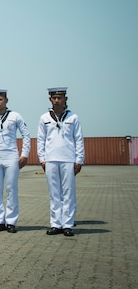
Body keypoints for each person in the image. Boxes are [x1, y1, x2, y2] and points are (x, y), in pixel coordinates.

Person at [37, 87, 85, 237]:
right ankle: (56, 224)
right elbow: (41, 140)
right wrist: (42, 159)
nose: (57, 101)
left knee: (68, 192)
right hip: (51, 159)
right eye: (54, 98)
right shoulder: (44, 118)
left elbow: (79, 139)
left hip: (68, 159)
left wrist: (79, 160)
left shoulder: (73, 118)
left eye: (60, 98)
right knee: (54, 193)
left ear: (65, 99)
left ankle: (68, 224)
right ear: (50, 100)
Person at [0, 89, 30, 234]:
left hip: (11, 157)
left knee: (11, 189)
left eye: (0, 100)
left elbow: (26, 135)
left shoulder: (15, 116)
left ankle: (11, 221)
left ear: (6, 100)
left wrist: (24, 154)